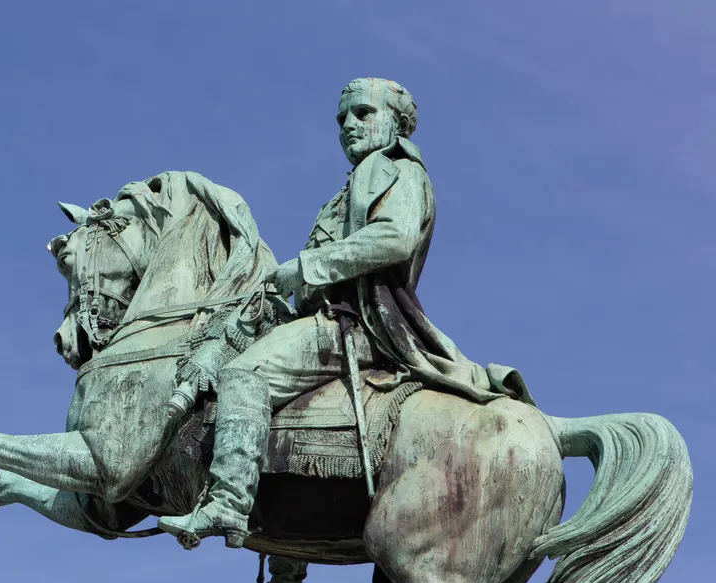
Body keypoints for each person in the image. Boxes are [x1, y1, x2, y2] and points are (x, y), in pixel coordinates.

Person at [159, 77, 528, 552]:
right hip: (331, 316)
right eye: (342, 118)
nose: (348, 126)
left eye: (363, 114)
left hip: (353, 326)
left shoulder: (394, 169)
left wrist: (304, 268)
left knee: (244, 374)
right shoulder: (356, 181)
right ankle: (285, 575)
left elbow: (394, 237)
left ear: (396, 123)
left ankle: (230, 499)